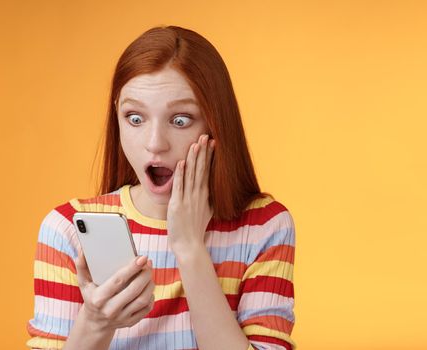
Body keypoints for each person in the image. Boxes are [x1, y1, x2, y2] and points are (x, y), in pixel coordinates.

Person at [26, 26, 296, 350]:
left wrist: (190, 248)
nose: (155, 144)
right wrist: (96, 321)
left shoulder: (264, 227)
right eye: (135, 118)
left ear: (215, 123)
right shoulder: (67, 230)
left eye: (180, 120)